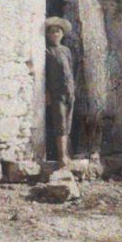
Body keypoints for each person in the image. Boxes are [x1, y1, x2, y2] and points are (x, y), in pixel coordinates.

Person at [44, 16, 76, 173]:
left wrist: (72, 89)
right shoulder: (47, 51)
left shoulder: (66, 51)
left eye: (58, 32)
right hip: (56, 93)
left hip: (68, 91)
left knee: (68, 122)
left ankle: (68, 154)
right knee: (60, 123)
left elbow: (70, 70)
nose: (55, 34)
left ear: (62, 34)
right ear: (48, 35)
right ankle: (61, 156)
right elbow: (44, 74)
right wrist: (47, 92)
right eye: (52, 32)